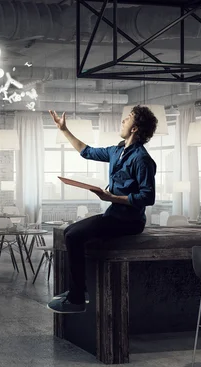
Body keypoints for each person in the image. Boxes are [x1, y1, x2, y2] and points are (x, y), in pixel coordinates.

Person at [47, 106, 158, 314]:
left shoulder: (142, 159)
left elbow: (148, 197)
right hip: (113, 215)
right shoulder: (117, 151)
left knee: (73, 236)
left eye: (128, 119)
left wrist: (112, 198)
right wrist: (64, 129)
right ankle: (79, 291)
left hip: (130, 222)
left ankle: (78, 298)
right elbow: (86, 151)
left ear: (135, 128)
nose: (123, 121)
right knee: (69, 232)